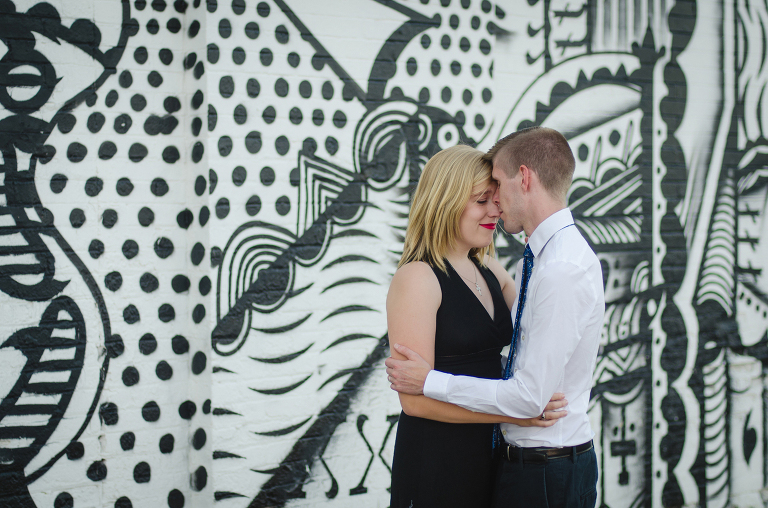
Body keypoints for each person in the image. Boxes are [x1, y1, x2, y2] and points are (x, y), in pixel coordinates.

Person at [386, 127, 605, 508]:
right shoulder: (417, 278)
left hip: (493, 454)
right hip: (441, 458)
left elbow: (531, 341)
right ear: (445, 203)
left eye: (495, 196)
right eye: (481, 201)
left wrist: (518, 408)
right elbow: (415, 402)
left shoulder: (491, 268)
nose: (495, 210)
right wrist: (514, 415)